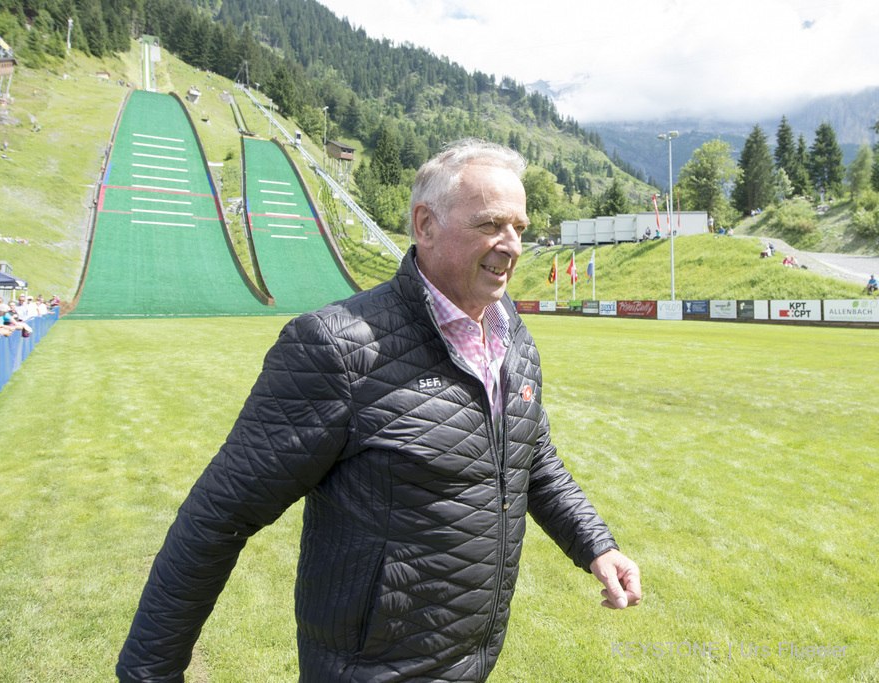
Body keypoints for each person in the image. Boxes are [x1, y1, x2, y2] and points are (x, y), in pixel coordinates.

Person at [117, 139, 641, 683]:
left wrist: (597, 545)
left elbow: (532, 460)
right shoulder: (336, 348)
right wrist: (150, 672)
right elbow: (218, 518)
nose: (511, 245)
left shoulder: (510, 334)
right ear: (425, 225)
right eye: (491, 225)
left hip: (472, 661)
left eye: (520, 228)